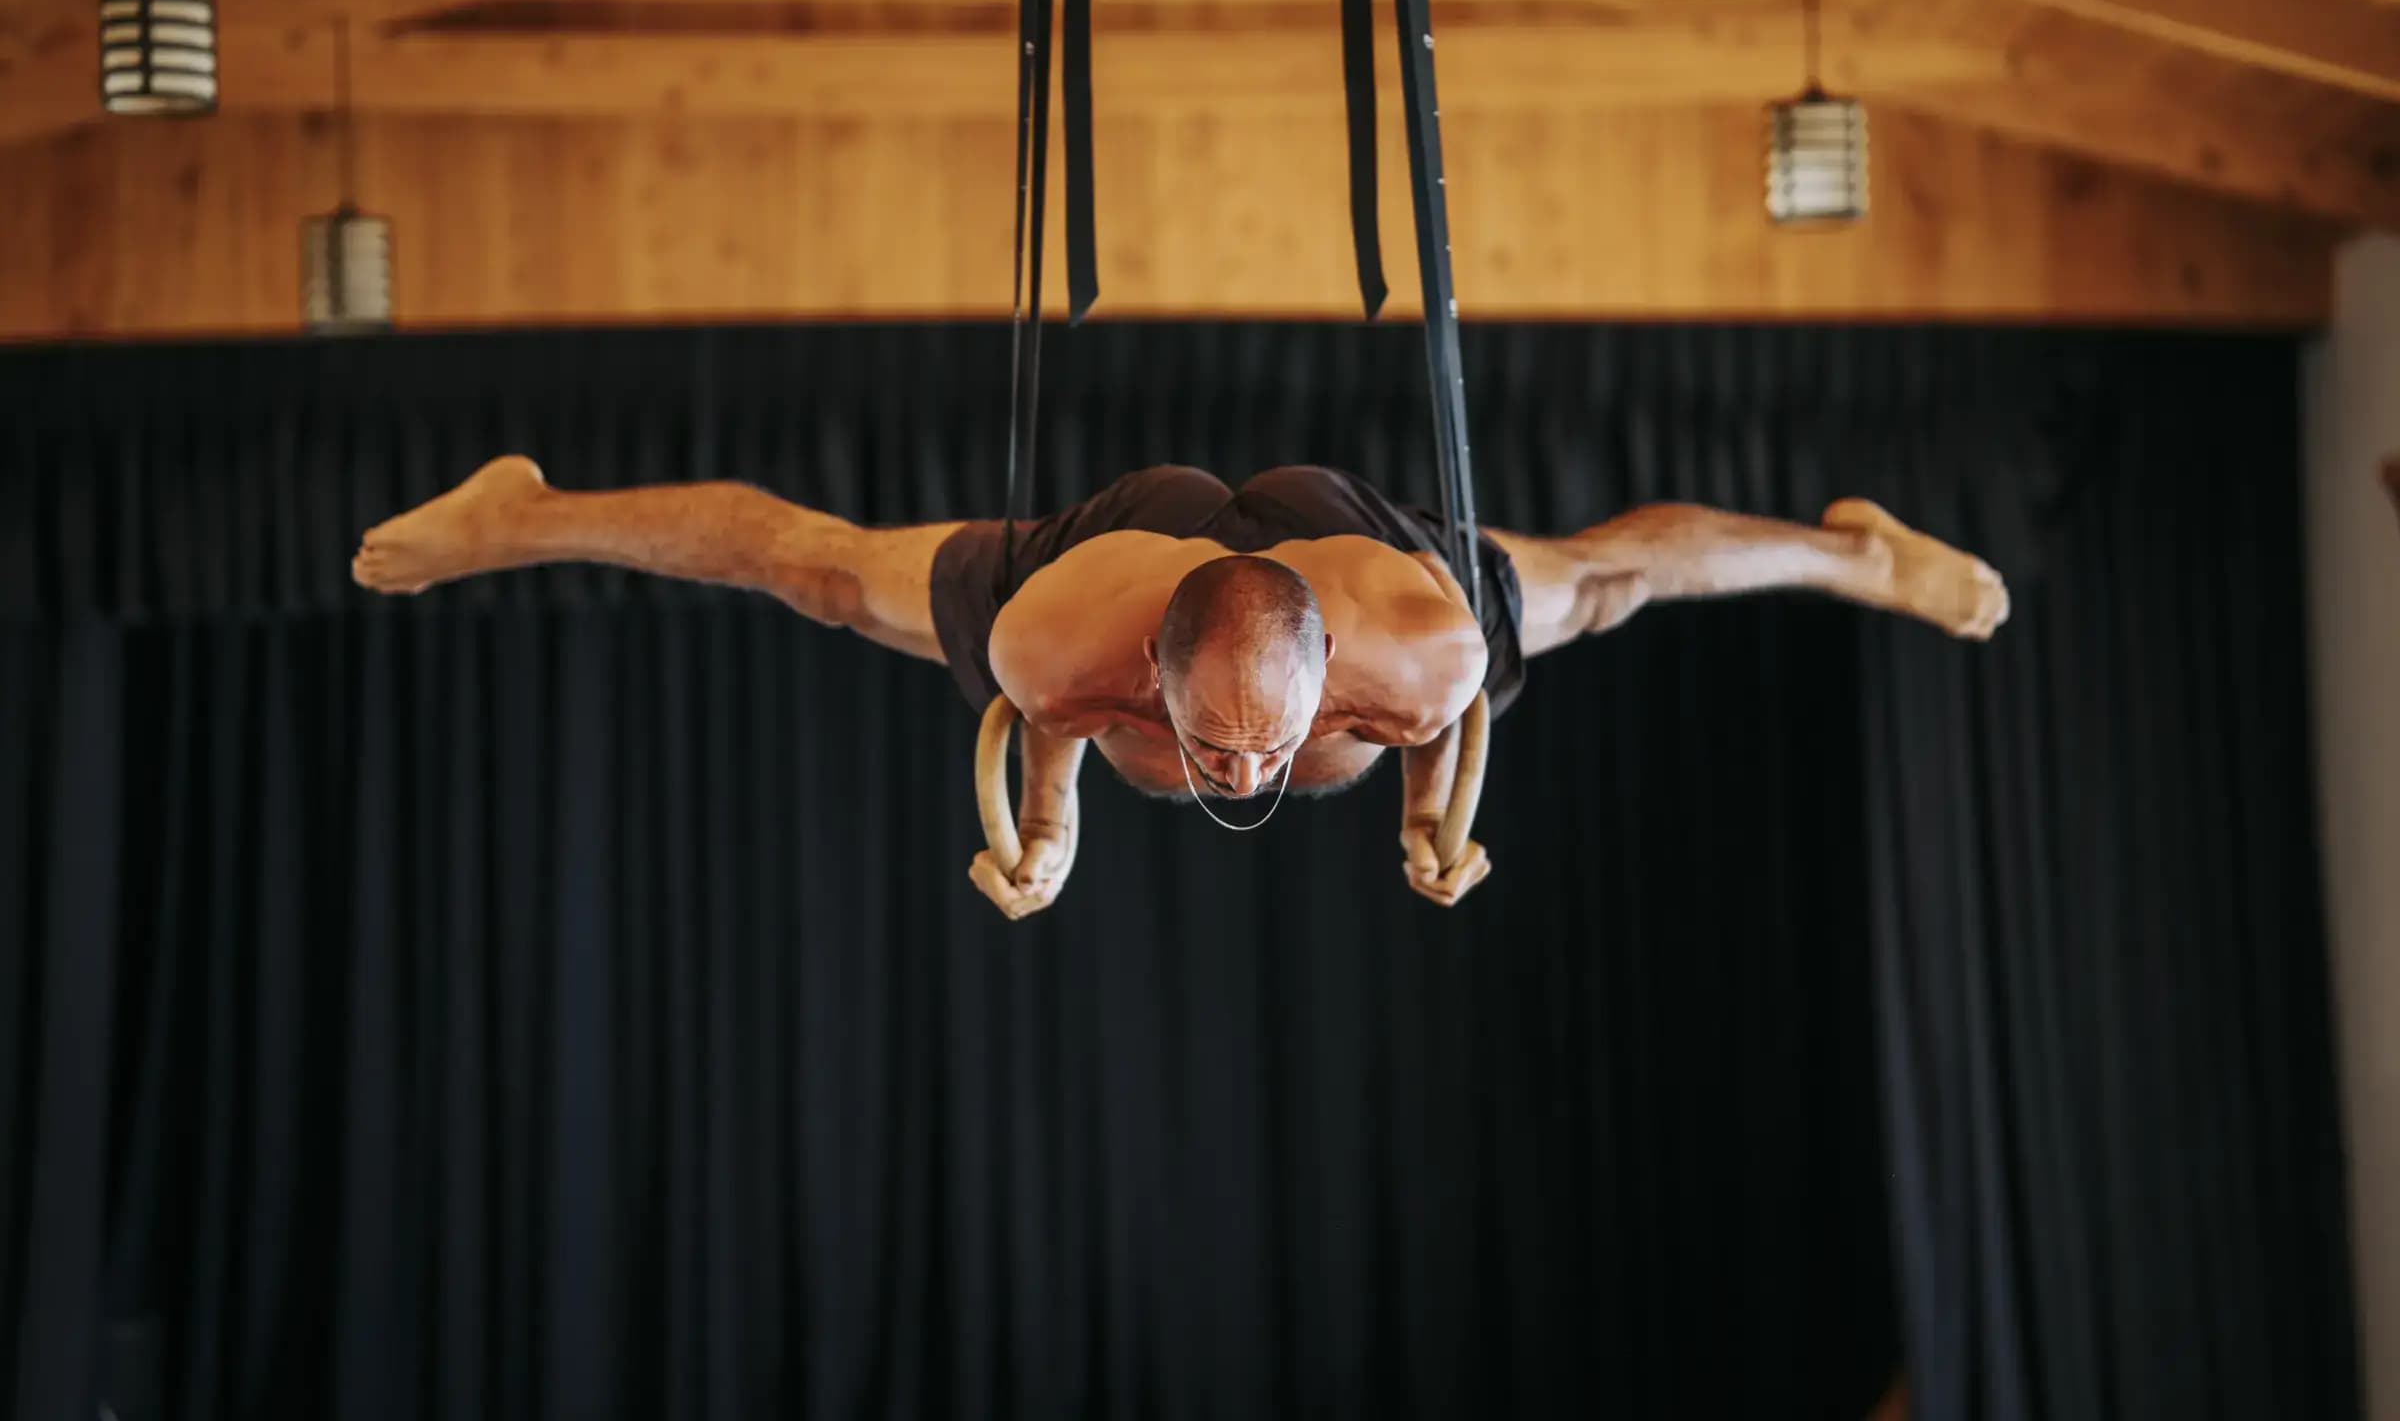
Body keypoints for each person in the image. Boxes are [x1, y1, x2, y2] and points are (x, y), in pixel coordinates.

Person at [354, 458, 2006, 918]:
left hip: (1352, 551)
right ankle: (520, 515)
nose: (1243, 777)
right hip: (1125, 546)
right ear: (1153, 679)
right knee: (820, 569)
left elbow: (1452, 726)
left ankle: (1855, 554)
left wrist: (1430, 819)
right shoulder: (1057, 643)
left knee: (1606, 581)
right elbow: (1045, 730)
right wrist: (1051, 834)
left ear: (1325, 681)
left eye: (1260, 750)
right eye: (1217, 748)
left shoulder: (1423, 646)